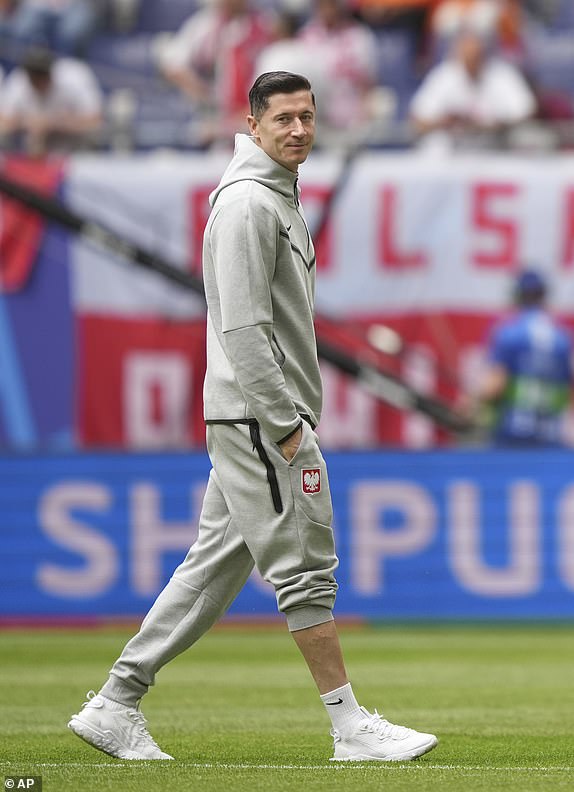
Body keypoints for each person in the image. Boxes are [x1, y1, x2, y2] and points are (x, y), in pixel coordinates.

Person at [67, 71, 438, 764]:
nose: (299, 129)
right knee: (306, 569)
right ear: (252, 124)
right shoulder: (247, 205)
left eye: (307, 116)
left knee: (210, 571)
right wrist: (286, 423)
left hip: (249, 419)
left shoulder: (274, 196)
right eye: (284, 118)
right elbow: (240, 327)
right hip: (261, 421)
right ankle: (350, 727)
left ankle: (116, 701)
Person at [472, 270, 573, 446]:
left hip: (512, 435)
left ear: (517, 296)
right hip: (550, 437)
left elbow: (495, 385)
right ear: (543, 296)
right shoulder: (563, 337)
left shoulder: (508, 332)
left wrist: (471, 405)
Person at [157, 0, 272, 146]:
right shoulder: (205, 23)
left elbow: (272, 81)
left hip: (250, 120)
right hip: (211, 116)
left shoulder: (263, 24)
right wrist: (202, 92)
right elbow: (172, 65)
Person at [409, 25, 536, 151]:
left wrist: (495, 123)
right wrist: (446, 121)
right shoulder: (444, 75)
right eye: (467, 57)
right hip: (453, 147)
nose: (471, 62)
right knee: (434, 143)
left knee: (526, 138)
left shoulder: (502, 73)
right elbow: (419, 120)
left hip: (496, 143)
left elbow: (527, 112)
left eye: (476, 57)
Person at [0, 47, 103, 155]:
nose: (38, 79)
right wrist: (28, 122)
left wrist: (55, 122)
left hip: (73, 150)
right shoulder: (19, 81)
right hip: (27, 148)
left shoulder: (74, 77)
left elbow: (95, 120)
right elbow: (3, 121)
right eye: (34, 75)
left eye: (42, 74)